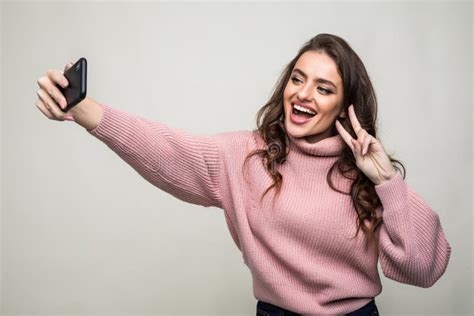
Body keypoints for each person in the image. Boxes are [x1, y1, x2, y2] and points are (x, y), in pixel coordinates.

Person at [35, 33, 451, 315]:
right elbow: (166, 149)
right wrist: (84, 109)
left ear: (346, 107)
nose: (303, 94)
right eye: (298, 79)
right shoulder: (246, 156)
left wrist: (386, 182)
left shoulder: (366, 172)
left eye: (323, 88)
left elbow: (423, 269)